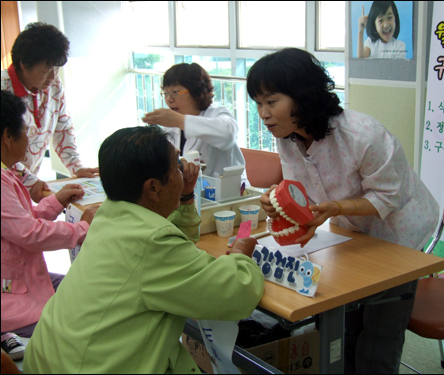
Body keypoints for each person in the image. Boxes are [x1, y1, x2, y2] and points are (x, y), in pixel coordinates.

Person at [247, 48, 439, 374]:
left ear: (302, 96)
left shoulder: (363, 135)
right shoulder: (289, 138)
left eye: (271, 101)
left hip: (399, 234)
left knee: (380, 331)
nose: (263, 113)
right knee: (344, 321)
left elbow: (388, 196)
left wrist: (335, 207)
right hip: (351, 232)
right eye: (258, 103)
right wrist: (278, 205)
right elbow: (300, 195)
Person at [24, 125, 265, 373]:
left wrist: (185, 196)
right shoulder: (153, 242)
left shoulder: (108, 215)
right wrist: (240, 254)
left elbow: (175, 241)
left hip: (51, 359)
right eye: (177, 169)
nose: (182, 174)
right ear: (152, 188)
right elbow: (237, 292)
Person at [1, 90, 98, 342]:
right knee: (81, 325)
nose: (30, 140)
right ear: (8, 137)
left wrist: (55, 200)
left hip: (22, 276)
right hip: (10, 296)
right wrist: (82, 228)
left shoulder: (7, 173)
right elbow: (28, 233)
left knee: (82, 289)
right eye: (26, 132)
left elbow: (18, 219)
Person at [1, 22, 98, 203]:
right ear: (24, 64)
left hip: (27, 181)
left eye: (56, 69)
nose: (53, 77)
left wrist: (76, 167)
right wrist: (29, 180)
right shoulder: (3, 89)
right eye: (47, 70)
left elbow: (63, 126)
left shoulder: (52, 86)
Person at [142, 63, 248, 183]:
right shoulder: (171, 126)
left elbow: (227, 135)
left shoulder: (218, 114)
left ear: (197, 92)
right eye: (165, 93)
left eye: (175, 92)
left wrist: (179, 120)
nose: (169, 99)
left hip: (228, 192)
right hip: (190, 191)